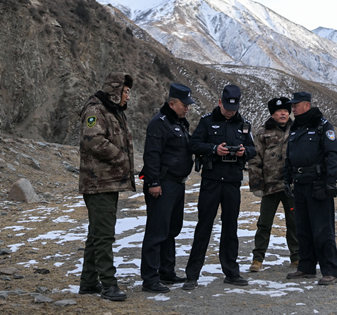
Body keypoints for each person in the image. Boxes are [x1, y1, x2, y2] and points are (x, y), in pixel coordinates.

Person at [182, 84, 256, 290]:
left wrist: (243, 152)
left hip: (232, 182)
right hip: (212, 181)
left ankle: (231, 272)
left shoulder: (244, 125)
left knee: (230, 228)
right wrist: (214, 149)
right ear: (219, 102)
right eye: (227, 108)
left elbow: (253, 149)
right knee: (204, 226)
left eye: (234, 109)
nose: (230, 112)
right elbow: (193, 145)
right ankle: (192, 275)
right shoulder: (207, 121)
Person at [78, 72, 136, 301]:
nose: (128, 96)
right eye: (126, 92)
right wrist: (120, 157)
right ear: (115, 91)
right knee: (104, 236)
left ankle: (88, 282)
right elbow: (93, 140)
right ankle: (109, 285)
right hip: (98, 183)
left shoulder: (112, 111)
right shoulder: (96, 110)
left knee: (96, 234)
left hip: (107, 182)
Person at [139, 83, 196, 292]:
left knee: (171, 229)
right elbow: (152, 155)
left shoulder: (180, 123)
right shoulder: (159, 123)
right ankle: (150, 278)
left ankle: (167, 271)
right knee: (157, 231)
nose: (187, 108)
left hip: (177, 184)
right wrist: (154, 182)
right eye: (184, 104)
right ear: (172, 104)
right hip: (163, 184)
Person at [282, 92, 337, 285]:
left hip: (318, 184)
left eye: (296, 105)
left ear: (306, 105)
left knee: (322, 230)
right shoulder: (295, 127)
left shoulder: (322, 126)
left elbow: (333, 154)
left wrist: (330, 181)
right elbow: (289, 156)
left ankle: (330, 271)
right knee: (302, 228)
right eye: (292, 105)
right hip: (299, 184)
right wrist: (287, 179)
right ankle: (306, 267)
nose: (292, 108)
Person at [247, 97, 299, 272]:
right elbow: (255, 159)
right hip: (270, 187)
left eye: (285, 111)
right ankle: (257, 259)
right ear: (272, 114)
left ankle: (297, 258)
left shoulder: (297, 130)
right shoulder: (262, 133)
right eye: (279, 111)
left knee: (294, 223)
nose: (283, 113)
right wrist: (256, 185)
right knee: (264, 224)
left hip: (292, 187)